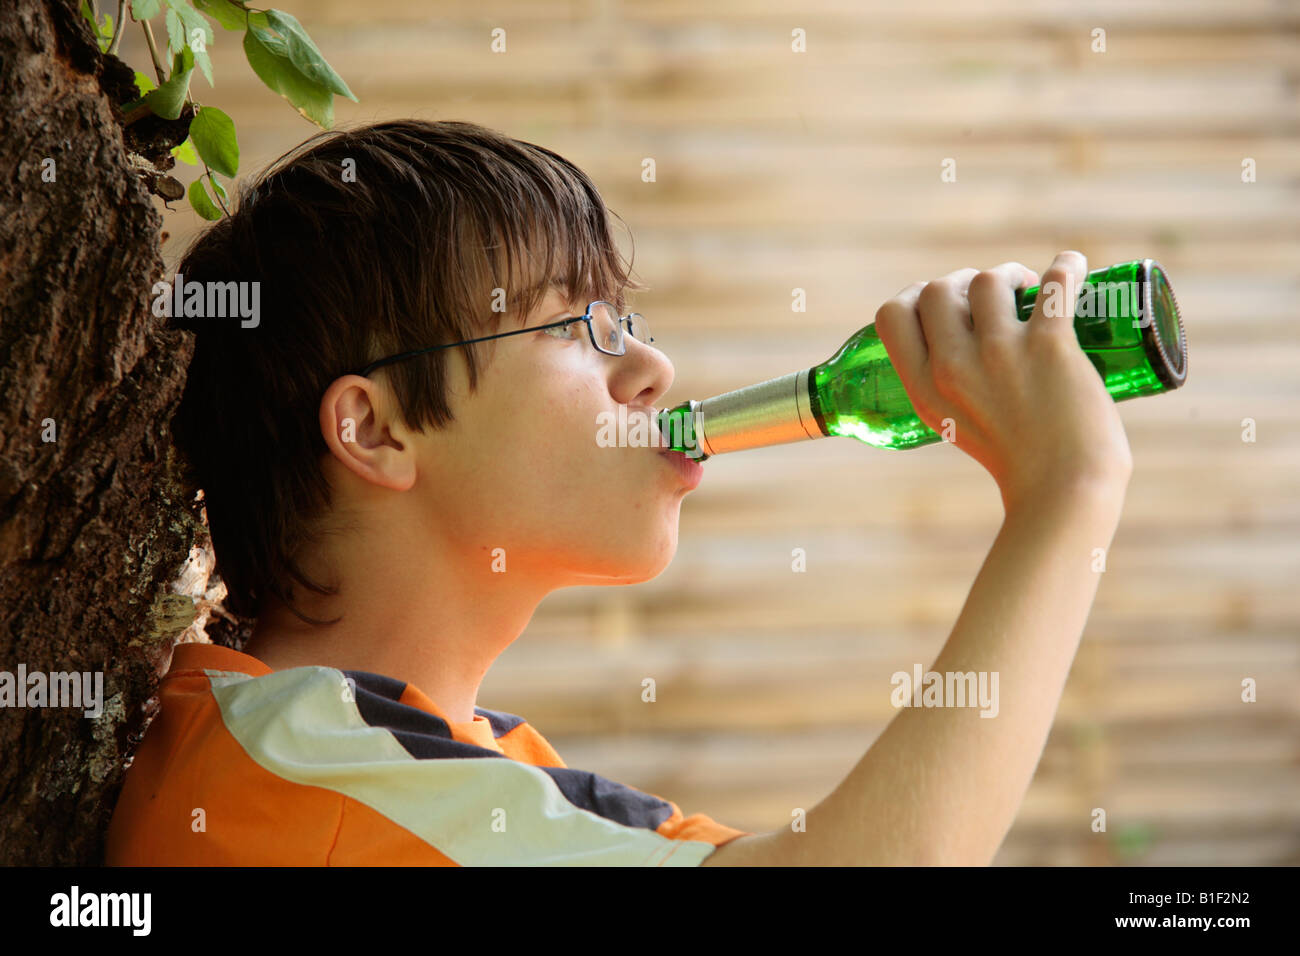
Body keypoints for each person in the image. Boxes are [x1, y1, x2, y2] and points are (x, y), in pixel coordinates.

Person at [105, 118, 1132, 866]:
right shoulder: (300, 775)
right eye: (576, 325)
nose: (650, 367)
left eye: (624, 319)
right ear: (376, 428)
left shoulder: (464, 762)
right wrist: (1065, 495)